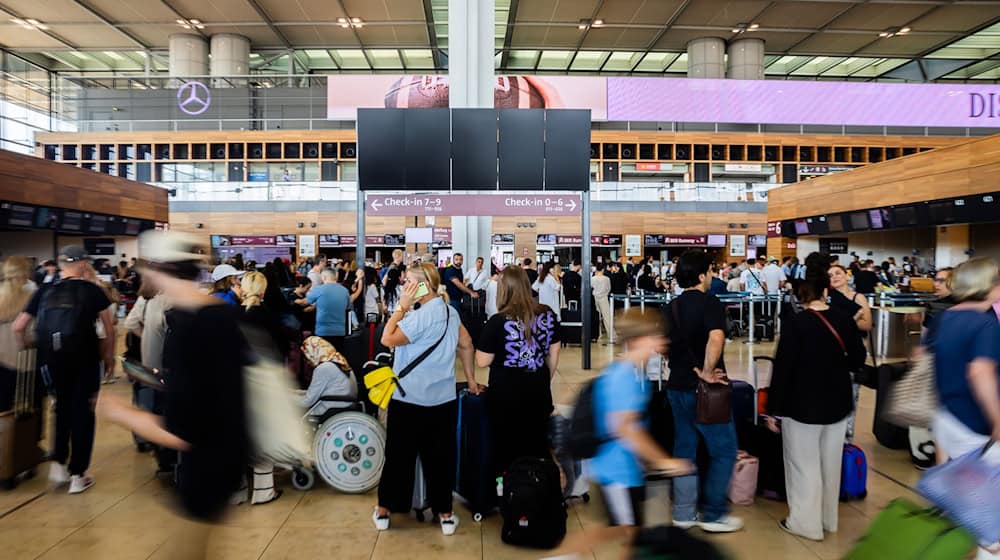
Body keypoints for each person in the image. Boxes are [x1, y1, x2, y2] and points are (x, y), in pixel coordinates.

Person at [97, 231, 250, 558]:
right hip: (229, 455)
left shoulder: (187, 325)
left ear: (157, 271)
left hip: (204, 466)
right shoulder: (222, 314)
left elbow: (182, 429)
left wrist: (122, 413)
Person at [549, 309, 693, 559]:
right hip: (615, 470)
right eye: (655, 335)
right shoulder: (624, 377)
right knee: (628, 532)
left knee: (620, 529)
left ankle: (563, 556)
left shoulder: (633, 373)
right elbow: (625, 428)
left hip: (625, 469)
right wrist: (662, 461)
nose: (662, 340)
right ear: (638, 340)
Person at [373, 262, 480, 536]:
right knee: (440, 458)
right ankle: (445, 514)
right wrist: (470, 379)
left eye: (408, 281)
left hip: (408, 398)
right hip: (442, 400)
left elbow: (387, 338)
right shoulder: (449, 312)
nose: (404, 285)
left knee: (399, 456)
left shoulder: (417, 316)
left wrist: (401, 307)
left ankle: (385, 509)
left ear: (422, 284)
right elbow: (466, 344)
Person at [765, 253, 866, 542]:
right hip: (838, 402)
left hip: (802, 405)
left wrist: (773, 410)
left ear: (801, 295)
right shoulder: (844, 319)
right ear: (826, 290)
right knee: (830, 463)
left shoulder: (797, 324)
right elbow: (858, 358)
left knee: (803, 465)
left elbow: (783, 369)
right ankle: (827, 519)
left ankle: (805, 524)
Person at [13, 246, 114, 495]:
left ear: (61, 265)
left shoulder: (44, 290)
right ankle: (78, 474)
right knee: (83, 412)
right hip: (85, 359)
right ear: (82, 265)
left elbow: (18, 327)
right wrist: (109, 358)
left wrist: (30, 347)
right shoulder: (93, 291)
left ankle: (59, 465)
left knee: (61, 407)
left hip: (51, 360)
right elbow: (109, 328)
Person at [664, 250, 742, 533]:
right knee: (724, 450)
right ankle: (713, 514)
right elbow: (717, 336)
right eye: (710, 271)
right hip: (706, 393)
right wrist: (707, 371)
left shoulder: (671, 306)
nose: (712, 276)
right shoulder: (710, 302)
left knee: (684, 450)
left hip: (677, 387)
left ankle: (683, 513)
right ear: (701, 275)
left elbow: (663, 345)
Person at [928, 258, 1000, 560]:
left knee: (977, 504)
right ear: (988, 285)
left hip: (949, 417)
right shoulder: (984, 322)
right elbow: (980, 372)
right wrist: (997, 419)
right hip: (976, 425)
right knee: (991, 522)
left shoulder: (947, 317)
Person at [476, 266, 561, 476]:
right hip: (539, 390)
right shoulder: (546, 314)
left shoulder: (498, 321)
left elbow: (482, 360)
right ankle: (539, 489)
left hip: (505, 394)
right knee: (538, 442)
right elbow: (554, 350)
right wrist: (544, 377)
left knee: (507, 447)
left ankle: (511, 492)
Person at [237, 270, 286, 506]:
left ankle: (236, 492)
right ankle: (263, 491)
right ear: (264, 291)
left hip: (237, 381)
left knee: (238, 435)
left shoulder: (232, 316)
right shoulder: (269, 317)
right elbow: (281, 351)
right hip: (264, 381)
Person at [0, 257, 35, 413]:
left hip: (1, 360)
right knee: (24, 408)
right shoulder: (31, 296)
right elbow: (32, 333)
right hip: (24, 360)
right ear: (25, 273)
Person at [300, 336, 357, 417]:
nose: (307, 362)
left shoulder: (324, 368)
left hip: (329, 408)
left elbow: (307, 401)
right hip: (344, 405)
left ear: (313, 352)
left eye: (307, 357)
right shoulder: (339, 361)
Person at [298, 269, 352, 350]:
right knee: (337, 357)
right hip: (340, 331)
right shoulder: (345, 291)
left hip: (323, 331)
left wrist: (294, 296)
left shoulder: (319, 289)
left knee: (323, 358)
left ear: (324, 277)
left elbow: (304, 302)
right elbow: (348, 307)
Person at [592, 262, 615, 344]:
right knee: (607, 317)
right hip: (604, 298)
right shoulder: (606, 279)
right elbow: (608, 289)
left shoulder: (593, 278)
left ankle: (598, 334)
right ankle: (611, 334)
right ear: (603, 269)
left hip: (595, 298)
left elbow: (591, 288)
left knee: (596, 317)